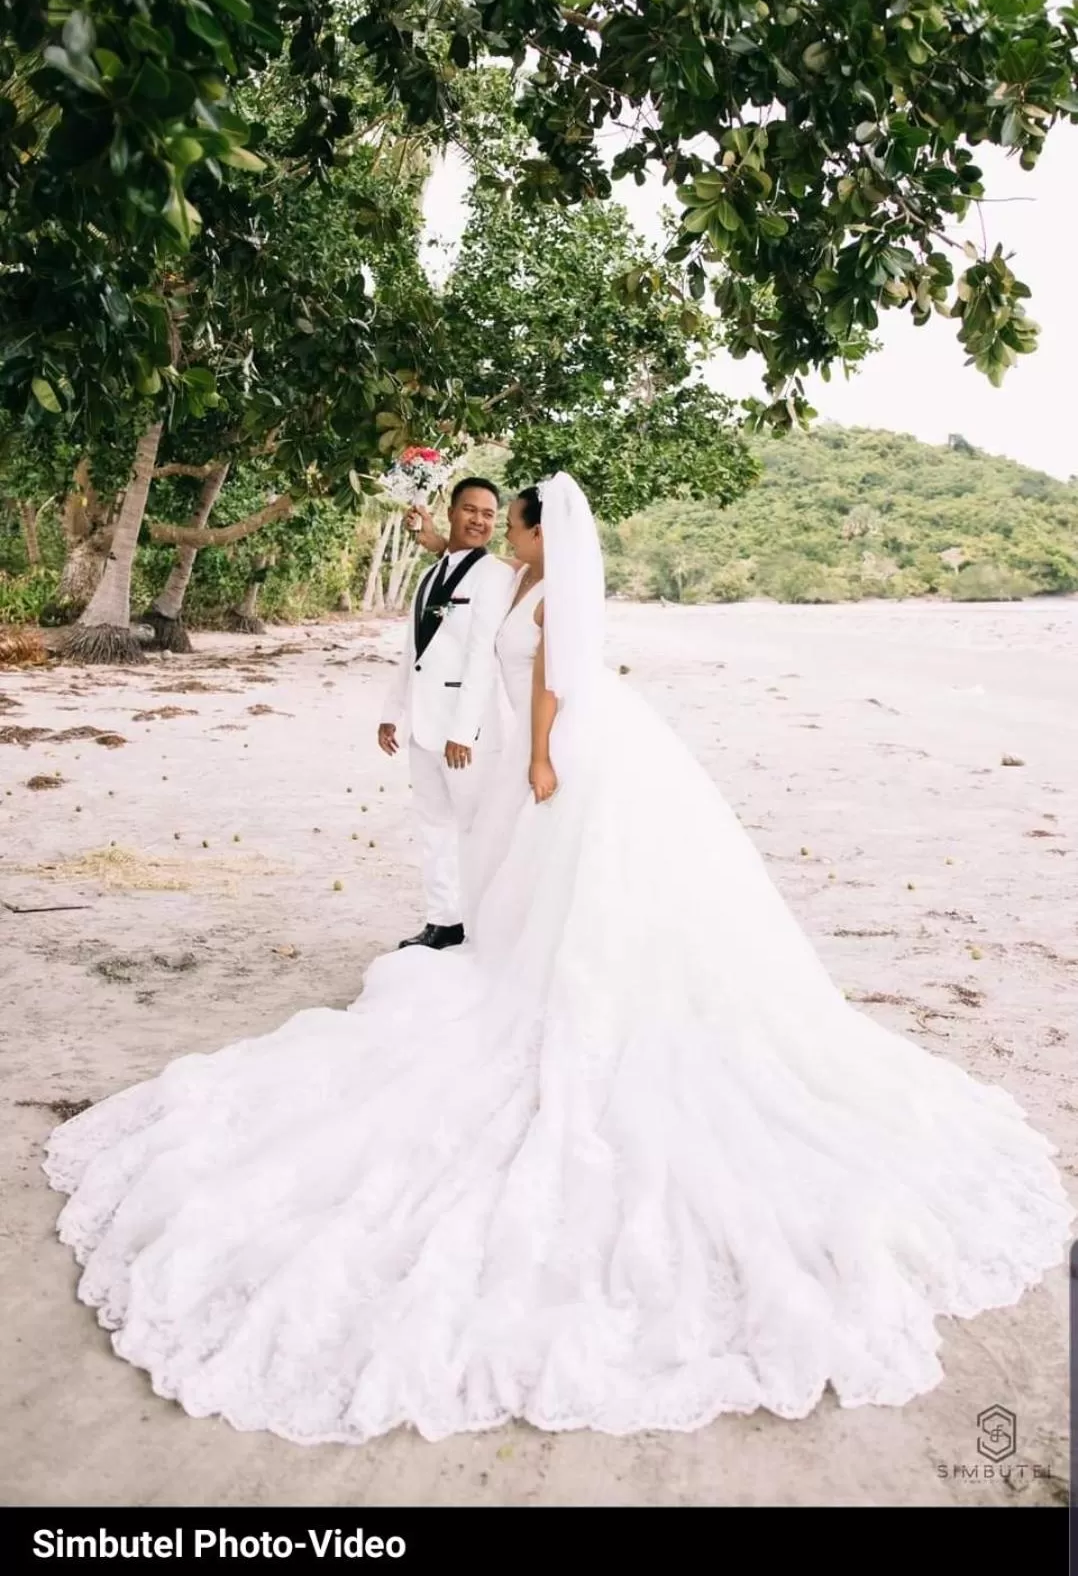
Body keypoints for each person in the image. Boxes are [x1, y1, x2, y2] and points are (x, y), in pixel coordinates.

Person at [43, 474, 1073, 1446]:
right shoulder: (514, 573)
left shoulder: (546, 589)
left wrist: (537, 755)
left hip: (566, 752)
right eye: (497, 520)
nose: (510, 530)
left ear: (538, 528)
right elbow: (462, 573)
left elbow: (553, 685)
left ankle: (566, 984)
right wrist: (424, 550)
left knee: (578, 895)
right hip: (546, 749)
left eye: (516, 518)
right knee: (530, 893)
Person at [377, 476, 515, 950]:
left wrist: (464, 732)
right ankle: (443, 921)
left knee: (476, 829)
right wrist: (392, 712)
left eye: (489, 514)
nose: (479, 520)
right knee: (433, 826)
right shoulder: (429, 574)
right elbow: (412, 650)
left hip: (465, 732)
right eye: (470, 510)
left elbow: (481, 656)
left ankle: (483, 923)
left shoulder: (494, 574)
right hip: (421, 726)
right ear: (451, 512)